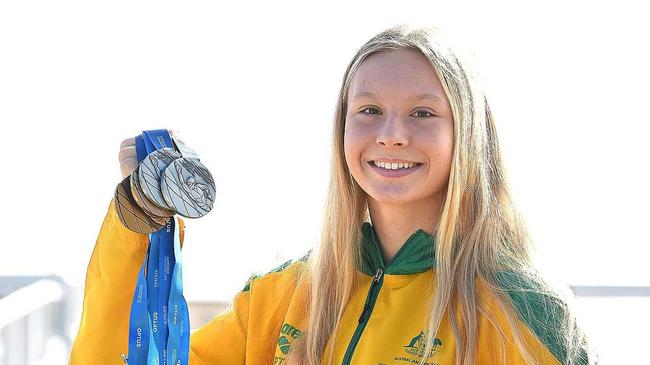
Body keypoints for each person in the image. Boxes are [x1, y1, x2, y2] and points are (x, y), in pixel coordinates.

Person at [69, 25, 596, 365]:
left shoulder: (521, 312)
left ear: (469, 137)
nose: (391, 133)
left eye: (423, 112)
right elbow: (119, 359)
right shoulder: (280, 299)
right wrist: (138, 223)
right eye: (368, 110)